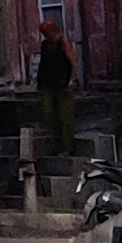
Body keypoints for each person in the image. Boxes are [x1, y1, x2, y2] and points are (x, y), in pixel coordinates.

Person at [36, 26, 77, 161]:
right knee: (48, 112)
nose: (46, 36)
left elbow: (72, 61)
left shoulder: (63, 43)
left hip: (63, 83)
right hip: (48, 83)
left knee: (66, 116)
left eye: (48, 33)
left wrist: (72, 80)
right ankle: (57, 143)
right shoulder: (45, 45)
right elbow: (43, 63)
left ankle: (68, 148)